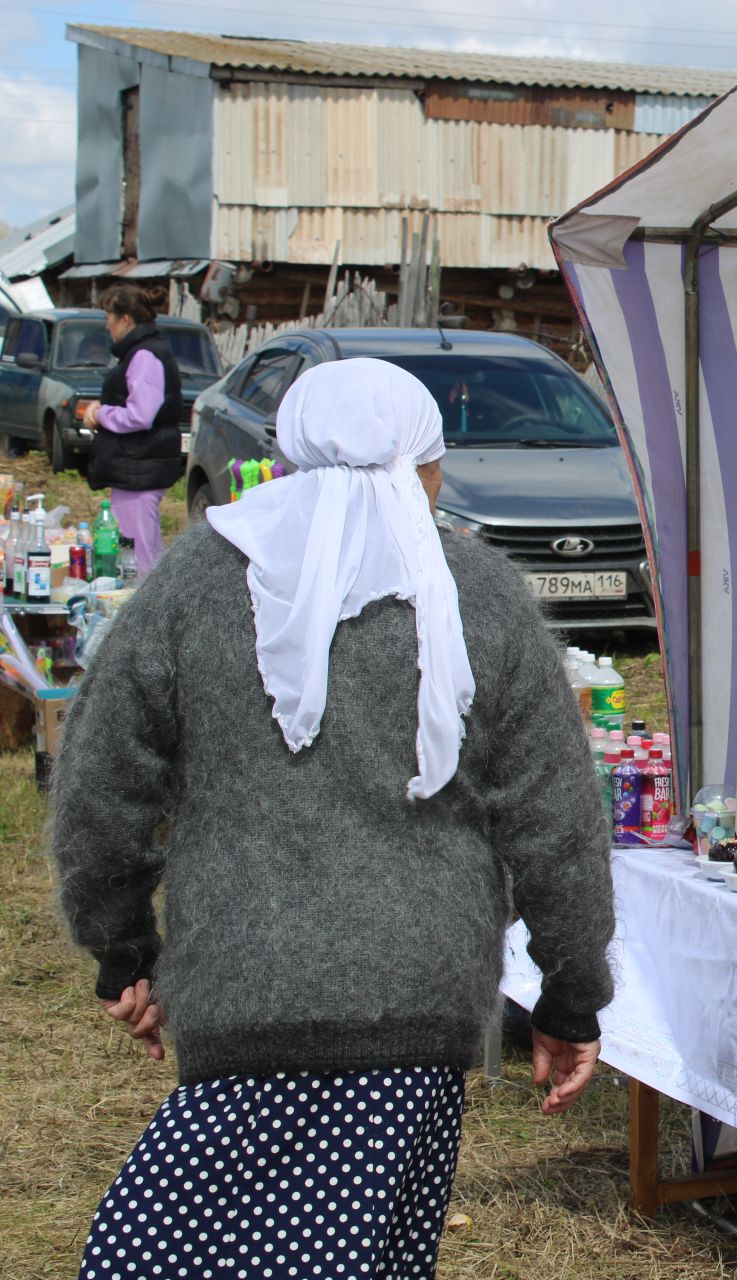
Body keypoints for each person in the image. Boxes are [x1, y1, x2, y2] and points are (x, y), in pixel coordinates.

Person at [51, 358, 615, 1280]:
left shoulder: (198, 578)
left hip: (244, 987)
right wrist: (571, 993)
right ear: (425, 466)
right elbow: (554, 820)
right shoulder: (477, 594)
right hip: (416, 1005)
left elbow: (103, 787)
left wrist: (123, 947)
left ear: (290, 457)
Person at [77, 285, 183, 578]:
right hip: (135, 466)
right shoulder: (140, 352)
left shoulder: (145, 356)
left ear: (125, 319)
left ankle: (148, 616)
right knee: (136, 550)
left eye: (109, 317)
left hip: (140, 466)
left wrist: (101, 413)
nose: (106, 324)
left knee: (139, 558)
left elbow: (141, 414)